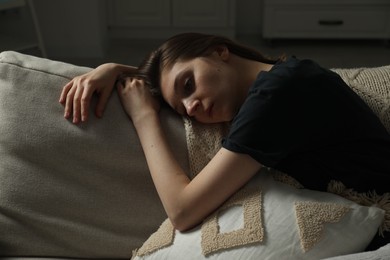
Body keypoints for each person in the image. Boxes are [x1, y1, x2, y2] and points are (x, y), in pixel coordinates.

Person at [59, 33, 390, 249]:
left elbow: (183, 210)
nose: (191, 108)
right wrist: (115, 69)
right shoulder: (285, 77)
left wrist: (145, 119)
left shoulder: (276, 97)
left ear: (219, 51)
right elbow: (176, 77)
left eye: (189, 85)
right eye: (183, 110)